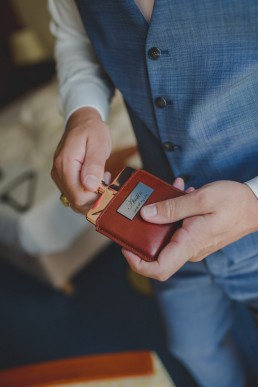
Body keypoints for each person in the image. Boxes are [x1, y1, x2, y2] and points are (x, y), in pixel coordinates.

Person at [48, 1, 258, 386]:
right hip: (161, 223)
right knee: (194, 348)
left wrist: (254, 205)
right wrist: (84, 112)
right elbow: (76, 39)